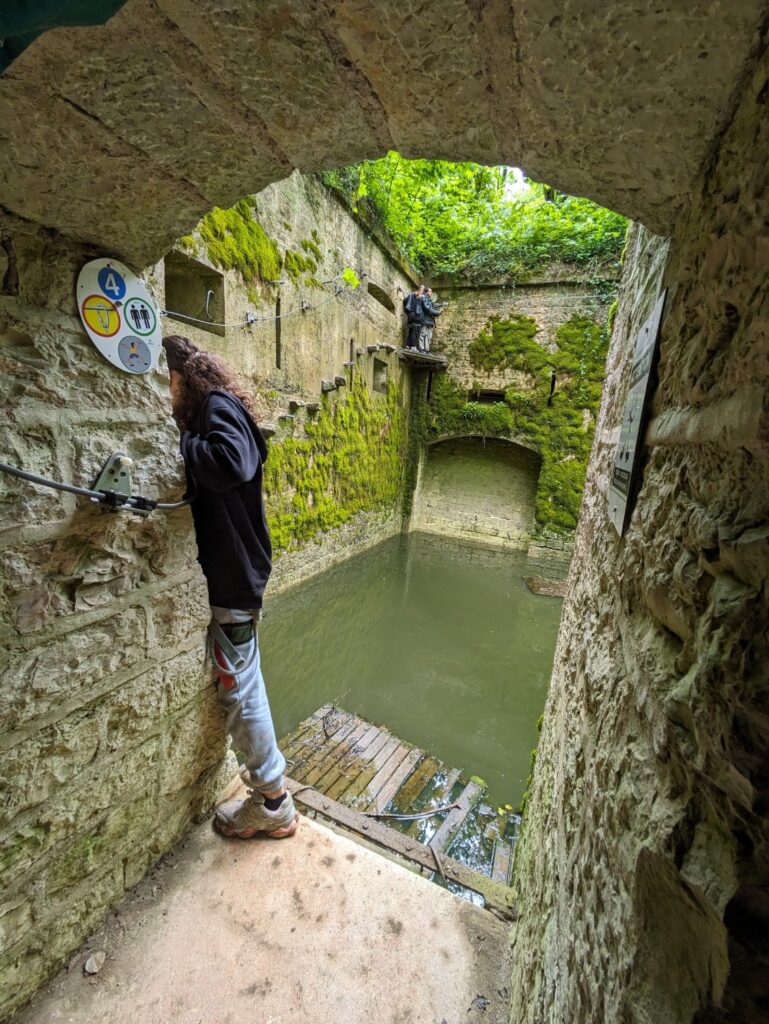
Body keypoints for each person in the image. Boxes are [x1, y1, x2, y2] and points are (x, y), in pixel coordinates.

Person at [162, 334, 298, 840]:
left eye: (165, 384)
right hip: (238, 573)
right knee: (245, 678)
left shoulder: (215, 405)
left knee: (241, 686)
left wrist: (177, 443)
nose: (164, 396)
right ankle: (271, 791)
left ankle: (273, 800)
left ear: (181, 377)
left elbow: (231, 461)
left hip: (234, 579)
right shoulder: (219, 406)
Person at [418, 288, 444, 353]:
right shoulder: (424, 298)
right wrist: (438, 312)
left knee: (429, 336)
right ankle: (421, 349)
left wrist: (442, 304)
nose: (431, 293)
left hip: (429, 321)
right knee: (423, 334)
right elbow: (428, 309)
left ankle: (426, 350)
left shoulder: (429, 300)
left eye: (431, 291)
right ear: (426, 292)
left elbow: (434, 305)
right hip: (424, 320)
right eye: (430, 291)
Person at [402, 284, 426, 349]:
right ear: (420, 289)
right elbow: (424, 306)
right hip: (415, 315)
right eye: (423, 289)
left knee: (411, 330)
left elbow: (404, 300)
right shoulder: (421, 296)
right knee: (415, 331)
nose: (423, 291)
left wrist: (408, 311)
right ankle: (413, 346)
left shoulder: (411, 294)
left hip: (410, 315)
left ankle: (407, 345)